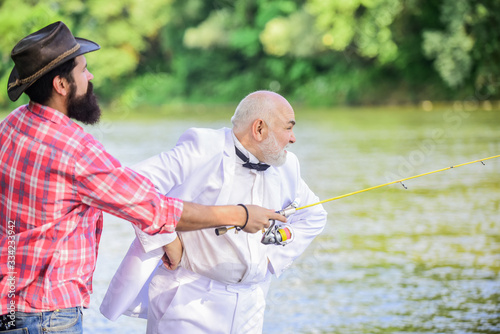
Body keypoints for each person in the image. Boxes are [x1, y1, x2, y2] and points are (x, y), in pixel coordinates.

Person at [0, 22, 283, 333]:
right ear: (61, 85)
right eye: (83, 70)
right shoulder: (76, 151)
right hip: (46, 316)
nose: (90, 77)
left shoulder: (11, 126)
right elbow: (156, 209)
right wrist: (240, 215)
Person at [100, 90, 327, 333]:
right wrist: (167, 237)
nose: (293, 138)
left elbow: (314, 216)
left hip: (252, 304)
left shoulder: (286, 165)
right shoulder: (203, 147)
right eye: (288, 128)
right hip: (188, 299)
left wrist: (271, 258)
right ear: (259, 129)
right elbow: (129, 186)